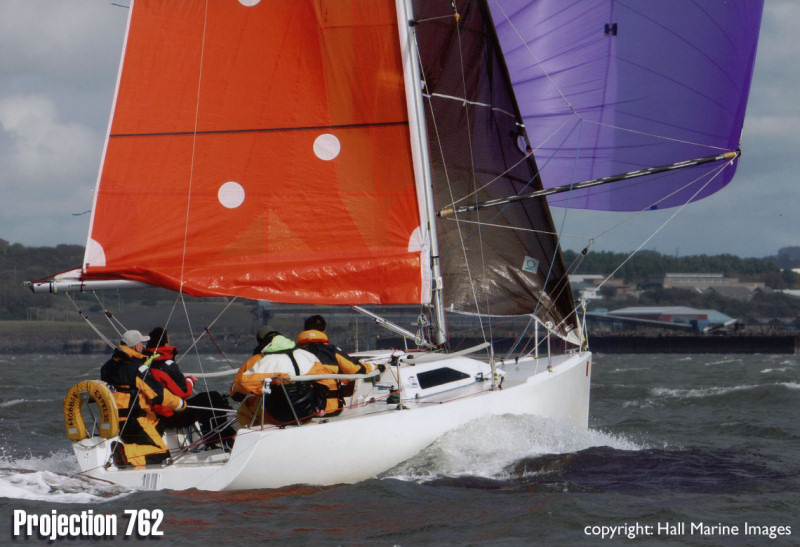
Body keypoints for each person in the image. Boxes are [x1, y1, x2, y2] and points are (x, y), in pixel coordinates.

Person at [100, 329, 185, 467]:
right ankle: (126, 453)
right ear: (136, 347)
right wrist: (180, 404)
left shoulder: (106, 367)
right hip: (134, 421)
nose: (144, 347)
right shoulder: (137, 370)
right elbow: (158, 394)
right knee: (162, 454)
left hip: (115, 420)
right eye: (142, 344)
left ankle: (130, 452)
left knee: (158, 424)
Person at [144, 328, 236, 449]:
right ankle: (219, 439)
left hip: (155, 413)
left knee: (205, 400)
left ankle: (213, 438)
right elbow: (184, 392)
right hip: (171, 415)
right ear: (165, 343)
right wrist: (190, 380)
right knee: (212, 397)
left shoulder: (146, 362)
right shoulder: (166, 364)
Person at [230, 327, 331, 426]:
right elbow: (324, 379)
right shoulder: (307, 356)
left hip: (280, 416)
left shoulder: (267, 362)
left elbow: (242, 387)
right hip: (307, 413)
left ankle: (256, 435)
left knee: (245, 408)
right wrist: (320, 402)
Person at [296, 315, 376, 415]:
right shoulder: (331, 351)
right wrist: (374, 366)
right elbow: (354, 369)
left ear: (305, 330)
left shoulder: (294, 352)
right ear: (323, 331)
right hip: (328, 409)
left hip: (299, 409)